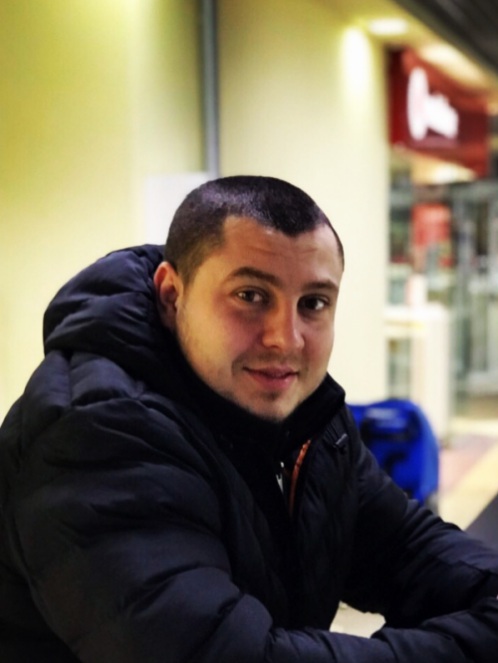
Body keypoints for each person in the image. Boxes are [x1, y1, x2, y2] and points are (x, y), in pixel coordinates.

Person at [0, 175, 497, 663]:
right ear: (172, 295)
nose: (286, 338)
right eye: (251, 296)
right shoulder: (96, 434)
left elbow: (403, 547)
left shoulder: (307, 419)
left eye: (313, 304)